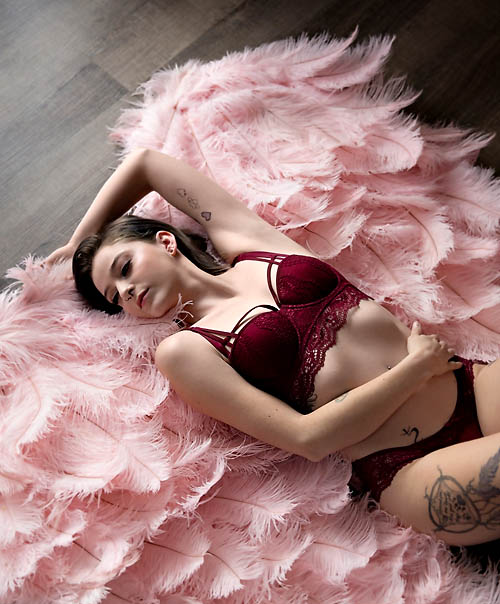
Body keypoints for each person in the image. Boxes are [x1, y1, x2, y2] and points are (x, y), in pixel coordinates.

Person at [43, 148, 500, 547]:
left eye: (124, 268)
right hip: (412, 465)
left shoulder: (253, 246)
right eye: (115, 297)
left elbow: (146, 163)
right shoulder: (184, 351)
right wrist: (414, 369)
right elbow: (308, 438)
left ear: (165, 241)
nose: (126, 291)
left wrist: (79, 242)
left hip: (469, 382)